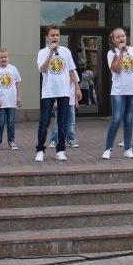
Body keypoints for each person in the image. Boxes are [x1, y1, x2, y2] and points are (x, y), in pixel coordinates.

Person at [104, 28, 133, 159]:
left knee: (129, 120)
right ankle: (108, 149)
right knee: (117, 119)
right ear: (113, 40)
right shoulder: (111, 53)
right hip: (118, 91)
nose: (121, 39)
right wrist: (120, 52)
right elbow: (117, 69)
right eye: (118, 37)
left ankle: (128, 149)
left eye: (123, 36)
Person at [37, 25, 82, 162]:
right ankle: (40, 150)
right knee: (44, 122)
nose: (55, 38)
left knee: (63, 122)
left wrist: (77, 88)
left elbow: (71, 70)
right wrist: (51, 53)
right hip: (48, 91)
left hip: (64, 91)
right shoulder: (43, 52)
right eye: (52, 35)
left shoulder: (66, 52)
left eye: (57, 35)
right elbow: (43, 70)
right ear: (47, 37)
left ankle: (60, 149)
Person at [0, 48, 21, 151]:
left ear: (8, 57)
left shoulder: (13, 69)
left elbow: (17, 83)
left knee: (11, 122)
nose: (3, 59)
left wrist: (19, 97)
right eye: (1, 57)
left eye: (5, 57)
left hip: (11, 100)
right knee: (0, 121)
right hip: (1, 101)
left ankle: (11, 141)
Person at [50, 76, 79, 148]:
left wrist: (76, 100)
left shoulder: (73, 72)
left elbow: (76, 86)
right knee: (57, 121)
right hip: (59, 100)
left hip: (71, 101)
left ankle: (70, 140)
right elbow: (53, 86)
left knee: (71, 121)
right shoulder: (59, 71)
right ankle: (53, 140)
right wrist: (53, 100)